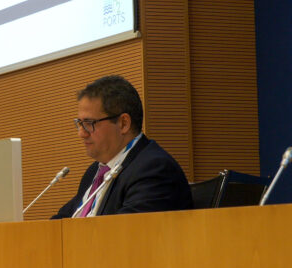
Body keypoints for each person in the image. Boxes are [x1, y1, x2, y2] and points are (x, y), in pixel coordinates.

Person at [53, 75, 192, 218]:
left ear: (123, 123)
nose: (81, 133)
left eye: (89, 123)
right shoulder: (95, 171)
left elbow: (128, 229)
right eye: (80, 123)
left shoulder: (154, 170)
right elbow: (61, 222)